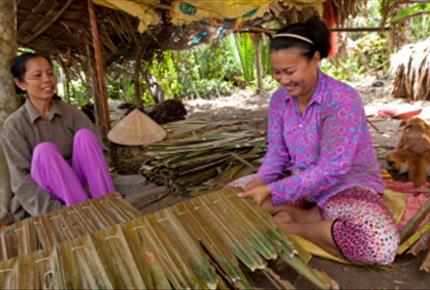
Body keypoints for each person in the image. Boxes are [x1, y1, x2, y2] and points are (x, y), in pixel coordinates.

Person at [238, 17, 399, 265]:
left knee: (378, 245)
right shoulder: (280, 100)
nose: (283, 80)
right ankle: (307, 214)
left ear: (314, 60)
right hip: (297, 182)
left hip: (344, 186)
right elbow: (277, 154)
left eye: (290, 71)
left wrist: (271, 191)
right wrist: (259, 182)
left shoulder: (341, 99)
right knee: (234, 195)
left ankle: (294, 225)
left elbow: (333, 168)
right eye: (277, 72)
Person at [2, 52, 115, 220]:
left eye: (49, 73)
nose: (47, 79)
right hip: (50, 198)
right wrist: (56, 211)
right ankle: (81, 214)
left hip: (85, 189)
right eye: (37, 75)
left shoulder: (71, 113)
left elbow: (99, 155)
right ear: (20, 83)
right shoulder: (14, 126)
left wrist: (88, 190)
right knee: (44, 152)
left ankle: (106, 203)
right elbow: (22, 182)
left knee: (86, 136)